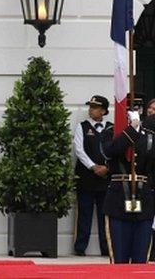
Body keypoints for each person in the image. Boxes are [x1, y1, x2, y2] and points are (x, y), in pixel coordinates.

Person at [100, 105, 155, 264]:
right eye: (129, 108)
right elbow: (109, 151)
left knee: (140, 259)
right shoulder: (111, 132)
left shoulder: (149, 136)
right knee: (119, 258)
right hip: (118, 200)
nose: (132, 112)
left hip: (144, 201)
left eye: (137, 108)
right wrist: (131, 130)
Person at [73, 95, 112, 257]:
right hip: (86, 178)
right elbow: (79, 149)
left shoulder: (112, 128)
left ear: (103, 111)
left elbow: (116, 151)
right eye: (90, 107)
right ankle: (80, 247)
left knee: (105, 215)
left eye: (95, 107)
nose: (91, 110)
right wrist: (93, 166)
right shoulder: (82, 126)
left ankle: (106, 247)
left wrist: (107, 168)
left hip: (106, 179)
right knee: (84, 213)